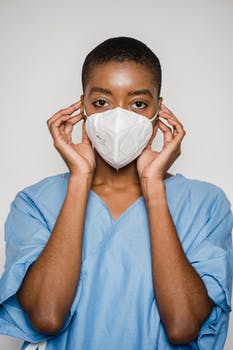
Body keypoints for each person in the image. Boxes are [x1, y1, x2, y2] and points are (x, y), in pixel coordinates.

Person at [0, 36, 232, 350]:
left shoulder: (207, 205)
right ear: (81, 107)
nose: (119, 119)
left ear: (159, 110)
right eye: (102, 103)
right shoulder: (34, 203)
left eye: (138, 103)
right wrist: (80, 178)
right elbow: (46, 317)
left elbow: (182, 327)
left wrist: (154, 188)